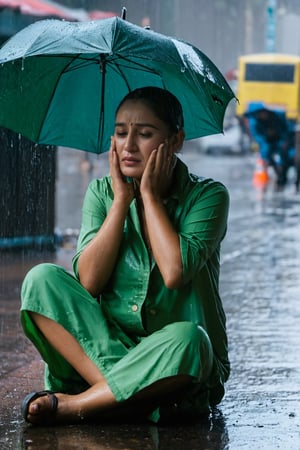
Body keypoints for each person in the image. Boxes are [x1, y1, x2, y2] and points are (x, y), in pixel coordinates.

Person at [20, 86, 230, 425]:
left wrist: (149, 197)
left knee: (191, 340)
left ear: (176, 141)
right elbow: (88, 282)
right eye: (120, 133)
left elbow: (176, 271)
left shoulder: (207, 197)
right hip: (107, 349)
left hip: (173, 358)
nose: (128, 146)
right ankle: (129, 396)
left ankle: (78, 406)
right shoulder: (102, 193)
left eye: (144, 134)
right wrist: (121, 203)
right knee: (41, 280)